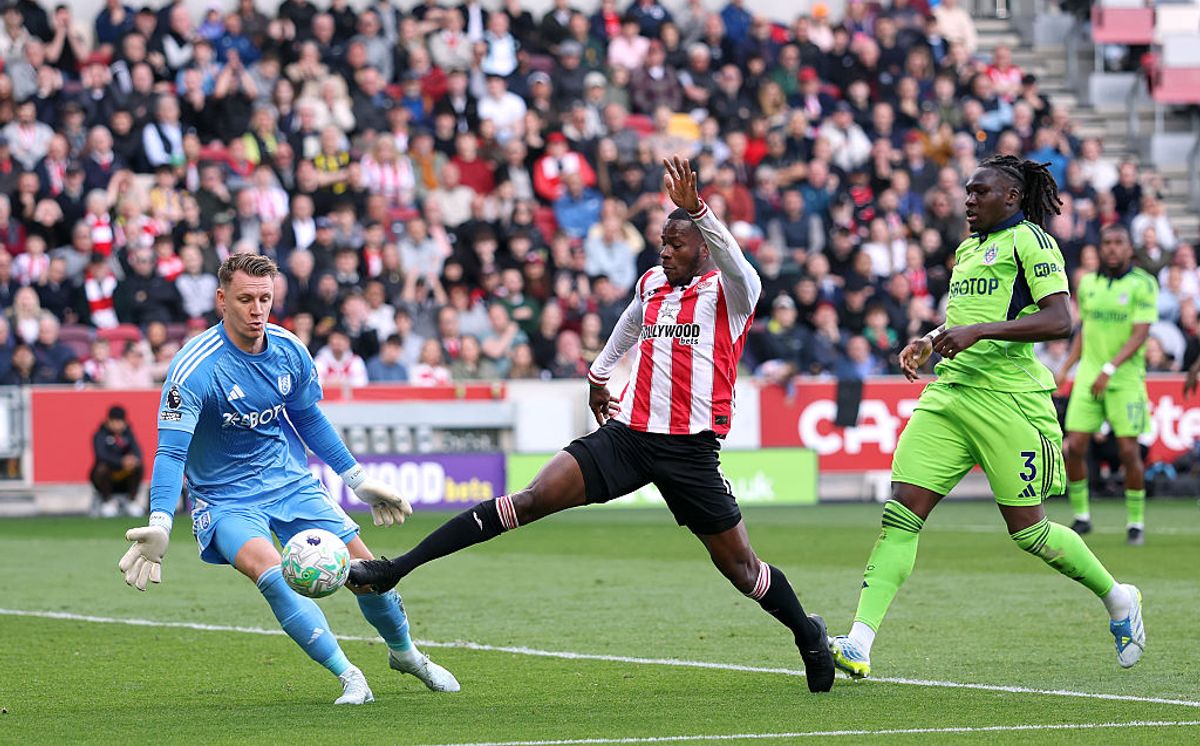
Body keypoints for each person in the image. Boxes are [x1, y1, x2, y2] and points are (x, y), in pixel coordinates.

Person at [349, 158, 836, 694]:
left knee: (742, 571)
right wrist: (599, 373)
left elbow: (735, 261)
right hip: (629, 437)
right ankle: (396, 569)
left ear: (703, 248)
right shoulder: (653, 283)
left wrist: (699, 210)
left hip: (690, 451)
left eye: (676, 244)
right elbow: (631, 320)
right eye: (662, 243)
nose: (664, 252)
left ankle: (807, 632)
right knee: (530, 499)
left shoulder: (733, 292)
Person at [829, 156, 1145, 681]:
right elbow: (966, 319)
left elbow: (1060, 320)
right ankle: (859, 643)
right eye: (968, 192)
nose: (969, 200)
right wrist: (930, 339)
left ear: (1012, 197)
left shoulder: (1032, 242)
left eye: (980, 192)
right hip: (951, 396)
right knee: (902, 513)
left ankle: (1118, 597)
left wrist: (980, 333)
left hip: (1008, 401)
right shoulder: (968, 248)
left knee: (1029, 533)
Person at [117, 254, 459, 705]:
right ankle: (349, 675)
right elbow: (171, 451)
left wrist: (356, 479)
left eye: (265, 298)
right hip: (226, 499)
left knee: (368, 574)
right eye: (245, 299)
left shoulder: (289, 350)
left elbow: (308, 418)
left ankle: (406, 653)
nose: (257, 309)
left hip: (290, 482)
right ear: (222, 299)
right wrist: (161, 522)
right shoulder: (194, 368)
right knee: (273, 575)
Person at [1055, 225, 1157, 545]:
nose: (1112, 248)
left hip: (1125, 378)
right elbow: (1085, 330)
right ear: (1101, 248)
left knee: (1128, 451)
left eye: (1118, 243)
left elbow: (1140, 333)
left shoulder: (1143, 283)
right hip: (1089, 376)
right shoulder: (1088, 284)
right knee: (1074, 446)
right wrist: (1066, 367)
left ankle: (1135, 522)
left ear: (1129, 248)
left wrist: (1110, 368)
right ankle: (1082, 517)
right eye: (1107, 243)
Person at [90, 405, 145, 518]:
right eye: (115, 421)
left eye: (121, 422)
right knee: (102, 469)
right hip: (107, 477)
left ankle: (131, 501)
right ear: (109, 421)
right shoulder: (100, 435)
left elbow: (138, 452)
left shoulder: (128, 435)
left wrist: (133, 460)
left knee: (138, 466)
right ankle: (107, 502)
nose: (118, 425)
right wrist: (121, 461)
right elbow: (101, 455)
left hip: (124, 477)